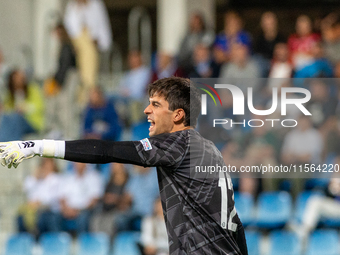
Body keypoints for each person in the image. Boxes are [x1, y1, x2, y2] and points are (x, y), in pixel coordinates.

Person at [0, 77, 248, 255]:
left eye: (156, 105)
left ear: (178, 115)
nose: (146, 110)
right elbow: (234, 220)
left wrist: (38, 146)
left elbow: (106, 150)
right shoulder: (209, 149)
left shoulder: (177, 143)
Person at [0, 69, 44, 141]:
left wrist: (24, 108)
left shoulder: (32, 89)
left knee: (17, 118)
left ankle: (14, 144)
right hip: (16, 123)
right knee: (6, 117)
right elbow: (8, 110)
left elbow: (39, 107)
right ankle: (2, 143)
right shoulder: (10, 94)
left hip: (32, 122)